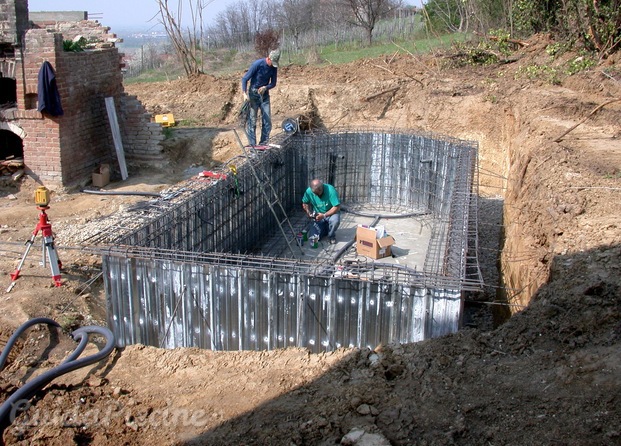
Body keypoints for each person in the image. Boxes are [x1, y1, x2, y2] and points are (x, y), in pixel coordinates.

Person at [241, 49, 280, 146]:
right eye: (272, 63)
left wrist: (266, 87)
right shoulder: (257, 64)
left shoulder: (274, 68)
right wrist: (244, 93)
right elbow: (245, 79)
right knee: (252, 121)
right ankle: (253, 147)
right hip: (253, 95)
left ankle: (263, 144)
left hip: (264, 95)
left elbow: (273, 83)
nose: (273, 65)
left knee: (267, 122)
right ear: (269, 59)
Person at [302, 179, 341, 245]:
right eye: (315, 194)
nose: (318, 195)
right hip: (317, 215)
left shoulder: (331, 190)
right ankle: (325, 229)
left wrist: (324, 215)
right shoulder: (308, 191)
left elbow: (337, 207)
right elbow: (305, 203)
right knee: (314, 238)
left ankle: (331, 236)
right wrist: (308, 211)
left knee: (335, 221)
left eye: (319, 193)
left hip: (331, 213)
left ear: (322, 187)